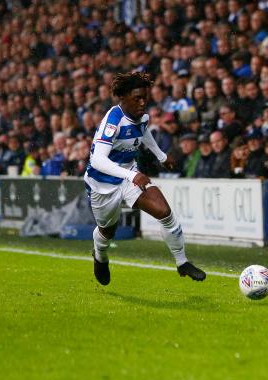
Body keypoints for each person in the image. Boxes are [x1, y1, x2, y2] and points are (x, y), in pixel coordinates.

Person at [84, 72, 206, 285]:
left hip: (129, 176)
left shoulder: (141, 116)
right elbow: (97, 161)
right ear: (123, 98)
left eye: (144, 98)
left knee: (164, 212)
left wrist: (161, 156)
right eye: (137, 99)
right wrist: (132, 174)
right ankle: (100, 256)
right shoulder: (113, 120)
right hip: (102, 183)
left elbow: (143, 131)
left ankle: (182, 262)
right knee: (107, 231)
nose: (142, 103)